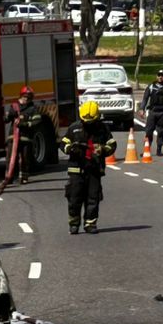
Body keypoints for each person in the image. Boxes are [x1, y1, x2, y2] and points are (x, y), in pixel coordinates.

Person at [60, 100, 116, 235]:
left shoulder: (102, 129)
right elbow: (63, 143)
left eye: (91, 122)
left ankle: (90, 224)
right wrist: (70, 149)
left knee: (93, 197)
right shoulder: (74, 128)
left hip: (94, 169)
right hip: (76, 169)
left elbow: (112, 144)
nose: (88, 124)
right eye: (86, 122)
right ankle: (74, 224)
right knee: (74, 197)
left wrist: (102, 149)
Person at [5, 86, 44, 184]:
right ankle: (9, 177)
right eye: (25, 96)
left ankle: (24, 177)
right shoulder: (14, 106)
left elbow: (37, 120)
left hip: (26, 137)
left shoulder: (33, 109)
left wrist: (26, 124)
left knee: (25, 158)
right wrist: (9, 115)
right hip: (13, 137)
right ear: (21, 96)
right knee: (10, 158)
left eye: (29, 97)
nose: (26, 98)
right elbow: (6, 120)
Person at [141, 72, 163, 157]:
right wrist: (142, 109)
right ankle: (147, 149)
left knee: (160, 132)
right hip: (152, 112)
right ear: (156, 76)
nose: (160, 77)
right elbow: (145, 98)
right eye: (159, 75)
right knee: (148, 131)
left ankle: (159, 149)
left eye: (162, 76)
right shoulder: (151, 86)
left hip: (162, 113)